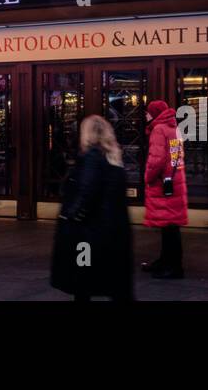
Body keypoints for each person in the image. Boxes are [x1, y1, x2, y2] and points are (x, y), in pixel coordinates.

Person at [50, 115, 133, 301]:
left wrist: (71, 217)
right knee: (116, 284)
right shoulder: (114, 159)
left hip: (86, 235)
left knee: (82, 278)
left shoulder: (91, 158)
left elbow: (87, 192)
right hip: (114, 232)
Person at [142, 99, 188, 279]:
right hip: (174, 183)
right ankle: (165, 261)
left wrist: (147, 178)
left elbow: (157, 160)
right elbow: (176, 157)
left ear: (154, 113)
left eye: (148, 112)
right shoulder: (173, 128)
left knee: (169, 229)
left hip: (163, 185)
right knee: (170, 227)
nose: (146, 115)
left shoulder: (158, 129)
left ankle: (173, 266)